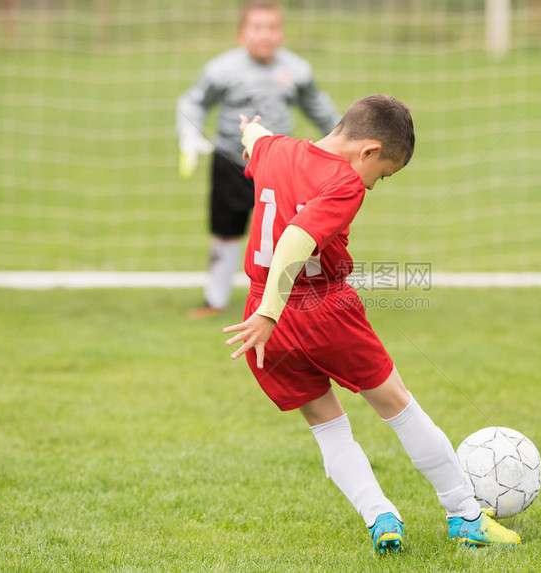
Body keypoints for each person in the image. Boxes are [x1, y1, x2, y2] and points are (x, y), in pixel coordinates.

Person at [222, 95, 522, 554]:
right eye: (382, 173)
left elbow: (257, 139)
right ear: (368, 151)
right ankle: (465, 515)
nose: (375, 185)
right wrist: (271, 312)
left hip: (265, 318)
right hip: (317, 311)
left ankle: (380, 516)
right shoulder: (343, 182)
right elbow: (295, 240)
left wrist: (249, 131)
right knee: (399, 407)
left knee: (326, 426)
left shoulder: (275, 149)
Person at [176, 1, 340, 319]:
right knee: (226, 231)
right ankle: (215, 299)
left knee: (291, 230)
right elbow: (193, 101)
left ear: (281, 34)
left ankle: (298, 299)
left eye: (272, 28)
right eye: (257, 28)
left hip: (281, 164)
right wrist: (189, 135)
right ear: (241, 34)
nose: (265, 35)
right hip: (231, 161)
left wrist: (342, 142)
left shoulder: (296, 70)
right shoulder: (220, 69)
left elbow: (320, 109)